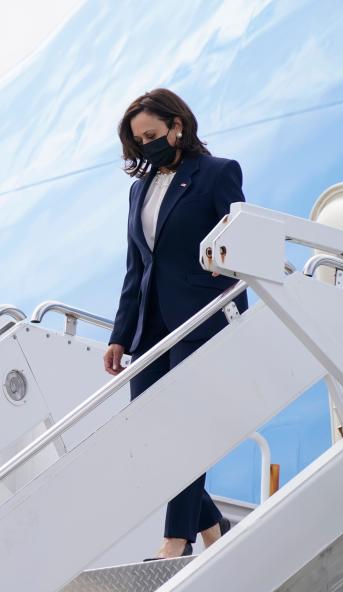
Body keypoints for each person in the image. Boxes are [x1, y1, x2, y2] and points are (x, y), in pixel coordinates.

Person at [103, 88, 247, 560]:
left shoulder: (217, 173)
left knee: (185, 428)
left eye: (152, 134)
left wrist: (225, 265)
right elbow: (135, 266)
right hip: (151, 327)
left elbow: (241, 241)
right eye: (137, 141)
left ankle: (176, 541)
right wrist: (120, 335)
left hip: (202, 319)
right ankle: (210, 524)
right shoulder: (138, 189)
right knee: (150, 433)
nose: (146, 145)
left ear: (177, 126)